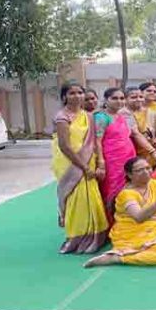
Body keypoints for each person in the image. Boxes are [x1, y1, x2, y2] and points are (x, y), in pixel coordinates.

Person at [52, 83, 109, 254]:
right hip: (71, 163)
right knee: (75, 198)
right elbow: (64, 146)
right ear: (64, 97)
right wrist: (83, 167)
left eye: (80, 92)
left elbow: (95, 142)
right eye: (72, 93)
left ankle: (94, 237)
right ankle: (75, 239)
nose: (77, 96)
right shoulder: (62, 117)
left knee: (90, 197)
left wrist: (100, 163)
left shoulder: (89, 116)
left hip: (89, 160)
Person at [94, 88, 149, 214]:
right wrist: (101, 163)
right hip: (112, 162)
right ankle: (112, 222)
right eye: (114, 98)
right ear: (106, 100)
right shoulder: (102, 117)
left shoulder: (122, 116)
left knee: (128, 187)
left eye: (121, 98)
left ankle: (128, 217)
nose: (119, 101)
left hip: (128, 158)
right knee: (112, 190)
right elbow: (97, 141)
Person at [125, 87, 156, 166]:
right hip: (131, 152)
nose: (138, 99)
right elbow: (135, 134)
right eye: (133, 97)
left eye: (141, 97)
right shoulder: (123, 113)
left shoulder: (153, 113)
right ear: (126, 99)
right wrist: (152, 151)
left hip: (151, 155)